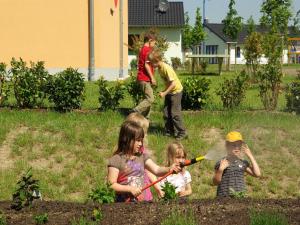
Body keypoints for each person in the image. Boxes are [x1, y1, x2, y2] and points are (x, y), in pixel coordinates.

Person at [107, 121, 181, 202]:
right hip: (123, 205)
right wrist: (129, 189)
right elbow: (111, 185)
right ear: (126, 139)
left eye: (141, 140)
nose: (141, 144)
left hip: (143, 203)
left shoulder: (142, 157)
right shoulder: (116, 159)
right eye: (138, 140)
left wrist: (169, 169)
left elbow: (157, 170)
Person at [148, 50, 187, 140]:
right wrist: (164, 91)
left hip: (176, 92)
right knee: (166, 112)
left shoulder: (166, 68)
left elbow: (173, 84)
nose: (151, 64)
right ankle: (170, 131)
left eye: (151, 63)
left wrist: (164, 93)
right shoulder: (160, 69)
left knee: (175, 113)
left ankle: (182, 132)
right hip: (170, 92)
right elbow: (168, 83)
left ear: (157, 60)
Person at [125, 112, 163, 200]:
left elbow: (149, 170)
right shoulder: (121, 155)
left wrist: (157, 187)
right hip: (129, 192)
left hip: (144, 189)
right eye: (143, 133)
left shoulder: (141, 151)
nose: (145, 136)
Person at [213, 131, 261, 197]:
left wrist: (250, 156)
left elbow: (257, 174)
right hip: (223, 199)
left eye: (239, 145)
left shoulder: (243, 162)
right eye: (234, 145)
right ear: (227, 146)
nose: (237, 147)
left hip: (240, 199)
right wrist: (220, 170)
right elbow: (215, 182)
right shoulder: (221, 162)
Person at [131, 32, 157, 119]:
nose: (154, 45)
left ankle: (146, 119)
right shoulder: (147, 50)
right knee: (150, 99)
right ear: (150, 41)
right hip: (144, 78)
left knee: (147, 100)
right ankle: (135, 111)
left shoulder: (143, 49)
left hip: (143, 78)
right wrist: (152, 78)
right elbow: (146, 65)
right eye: (154, 42)